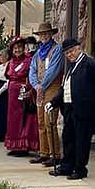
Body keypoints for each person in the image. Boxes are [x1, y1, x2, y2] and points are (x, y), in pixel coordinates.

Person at [45, 38, 95, 179]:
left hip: (84, 111)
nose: (70, 54)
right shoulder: (71, 67)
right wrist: (53, 102)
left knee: (81, 141)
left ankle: (80, 169)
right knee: (69, 138)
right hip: (69, 109)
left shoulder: (90, 64)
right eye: (67, 53)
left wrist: (90, 102)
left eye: (72, 51)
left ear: (79, 48)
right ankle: (67, 166)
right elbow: (64, 88)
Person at [28, 22, 64, 167]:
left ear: (51, 34)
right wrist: (36, 85)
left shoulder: (57, 50)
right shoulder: (38, 53)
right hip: (40, 90)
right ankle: (44, 152)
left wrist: (41, 86)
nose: (43, 36)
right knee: (41, 122)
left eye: (45, 34)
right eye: (41, 34)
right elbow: (32, 70)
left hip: (52, 88)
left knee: (50, 122)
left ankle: (55, 154)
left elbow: (53, 71)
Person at [4, 37, 39, 156]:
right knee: (13, 119)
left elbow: (32, 75)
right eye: (15, 48)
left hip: (23, 90)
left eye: (19, 47)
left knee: (23, 118)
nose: (17, 50)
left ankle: (23, 146)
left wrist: (30, 90)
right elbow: (8, 75)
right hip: (12, 93)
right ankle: (15, 145)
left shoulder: (29, 60)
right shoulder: (11, 62)